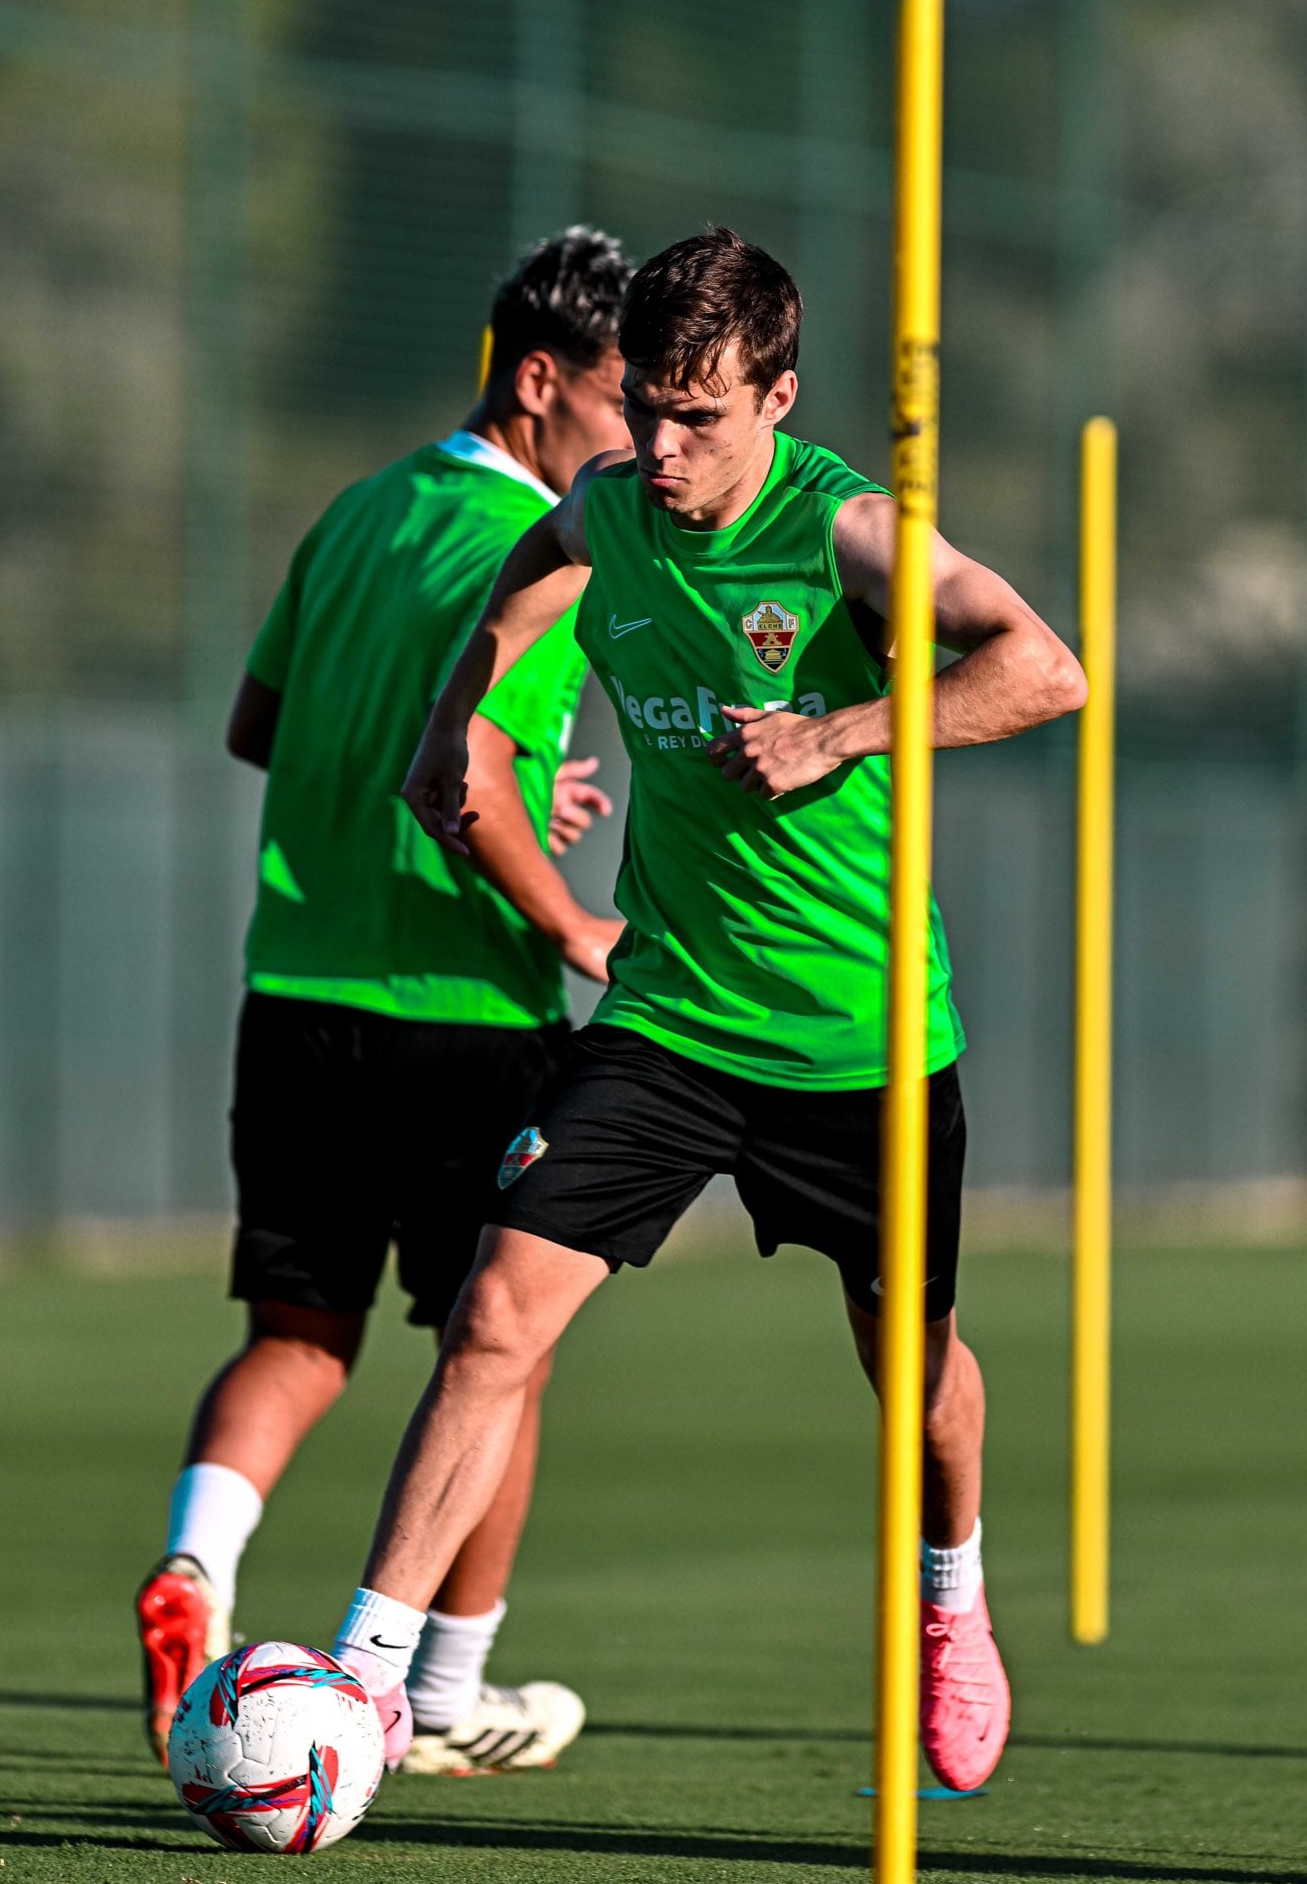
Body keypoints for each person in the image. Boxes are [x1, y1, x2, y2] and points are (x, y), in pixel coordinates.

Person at [327, 228, 1086, 1794]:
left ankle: (954, 1596)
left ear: (780, 399)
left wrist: (846, 731)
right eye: (650, 412)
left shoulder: (856, 535)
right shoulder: (610, 504)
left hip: (856, 1045)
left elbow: (1047, 671)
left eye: (703, 420)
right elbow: (526, 582)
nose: (662, 451)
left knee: (917, 1374)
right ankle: (363, 1685)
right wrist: (449, 720)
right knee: (490, 1317)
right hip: (670, 1019)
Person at [136, 227, 634, 1776]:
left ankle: (196, 1570)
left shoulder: (357, 512)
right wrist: (573, 922)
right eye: (627, 402)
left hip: (295, 991)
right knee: (503, 1353)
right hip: (462, 1010)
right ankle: (441, 1692)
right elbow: (471, 777)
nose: (641, 440)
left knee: (298, 1336)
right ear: (538, 382)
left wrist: (480, 788)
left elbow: (255, 725)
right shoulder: (541, 559)